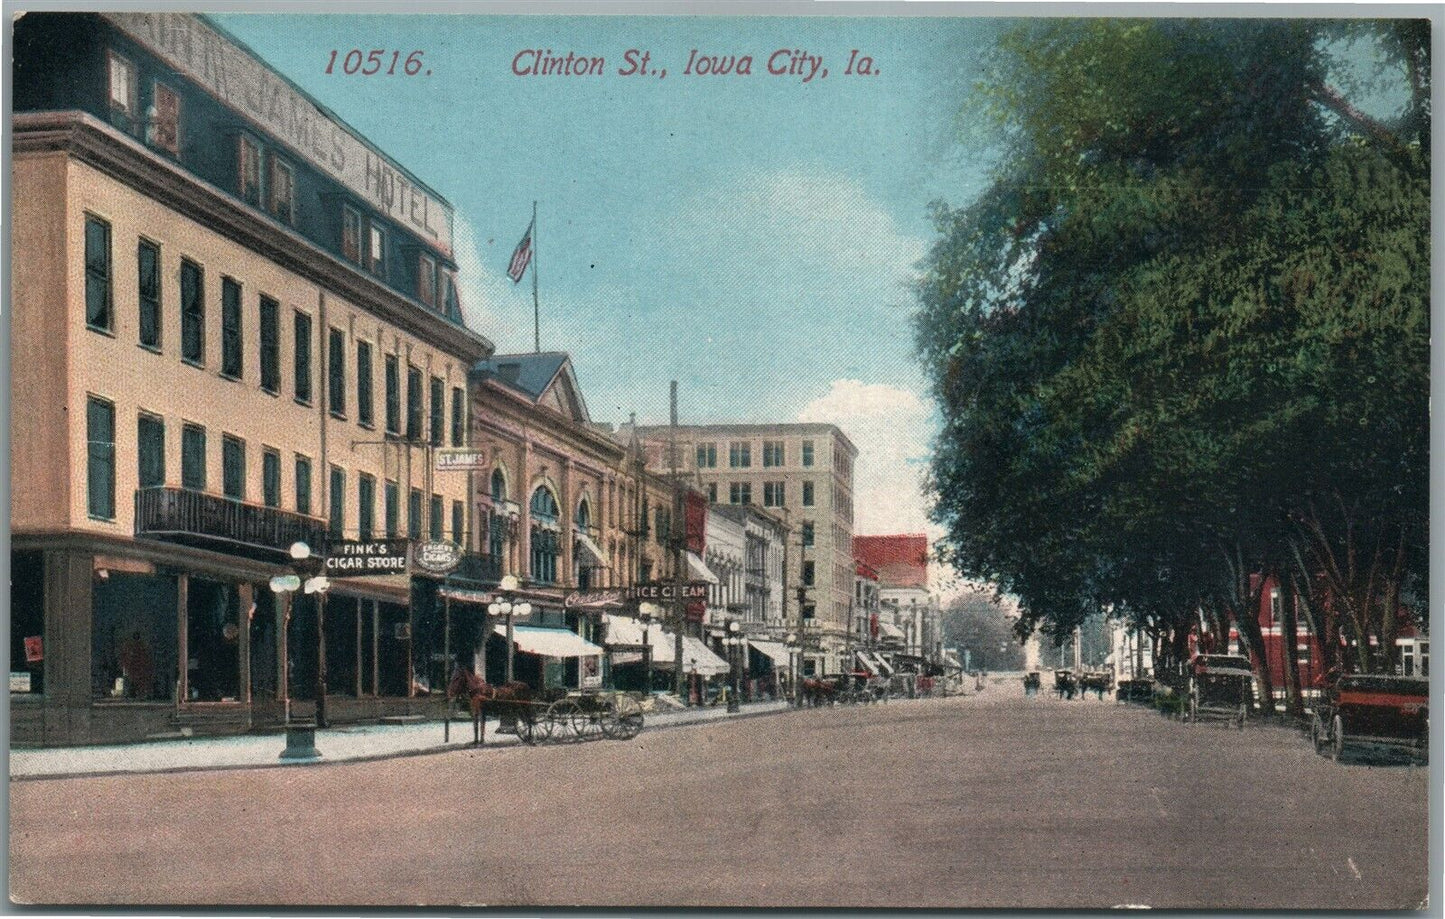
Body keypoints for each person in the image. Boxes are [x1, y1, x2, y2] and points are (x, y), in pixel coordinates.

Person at [119, 631, 153, 699]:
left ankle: (137, 694)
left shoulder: (139, 646)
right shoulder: (133, 646)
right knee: (131, 681)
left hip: (137, 668)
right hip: (133, 667)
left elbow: (144, 657)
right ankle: (131, 694)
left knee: (137, 682)